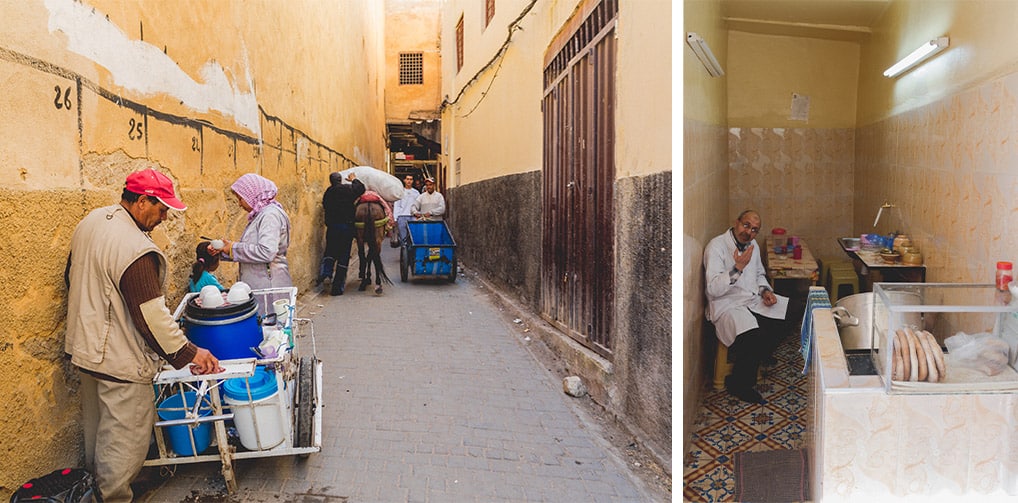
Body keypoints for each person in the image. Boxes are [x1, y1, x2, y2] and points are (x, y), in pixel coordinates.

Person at [64, 168, 223, 503]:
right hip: (120, 362)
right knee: (123, 449)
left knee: (98, 440)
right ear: (141, 202)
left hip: (87, 351)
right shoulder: (135, 248)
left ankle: (94, 494)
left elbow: (72, 278)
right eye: (162, 209)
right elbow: (150, 318)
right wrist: (191, 353)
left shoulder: (92, 221)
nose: (164, 217)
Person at [703, 209, 790, 404]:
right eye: (746, 225)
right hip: (727, 305)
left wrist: (766, 291)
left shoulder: (753, 246)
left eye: (754, 229)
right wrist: (737, 268)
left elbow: (759, 273)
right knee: (753, 337)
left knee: (793, 311)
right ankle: (740, 384)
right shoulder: (716, 247)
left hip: (751, 299)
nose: (748, 232)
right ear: (736, 222)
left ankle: (762, 352)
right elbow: (713, 289)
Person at [216, 173, 293, 291]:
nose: (239, 204)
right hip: (261, 285)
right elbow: (252, 249)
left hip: (270, 287)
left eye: (240, 198)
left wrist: (233, 248)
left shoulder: (270, 215)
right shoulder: (260, 215)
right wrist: (224, 250)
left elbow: (267, 252)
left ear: (252, 194)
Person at [320, 171, 364, 295]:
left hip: (332, 227)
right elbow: (361, 189)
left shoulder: (328, 192)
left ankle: (327, 273)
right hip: (346, 227)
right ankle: (337, 288)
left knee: (330, 251)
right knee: (343, 256)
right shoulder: (347, 190)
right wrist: (354, 179)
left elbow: (324, 205)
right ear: (341, 180)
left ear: (331, 181)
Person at [391, 174, 420, 246]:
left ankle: (412, 253)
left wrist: (418, 215)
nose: (409, 181)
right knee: (403, 238)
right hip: (402, 217)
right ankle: (404, 253)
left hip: (413, 217)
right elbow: (397, 205)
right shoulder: (400, 191)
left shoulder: (416, 193)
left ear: (413, 181)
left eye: (411, 179)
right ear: (404, 180)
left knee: (413, 237)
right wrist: (395, 218)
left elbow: (419, 205)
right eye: (407, 179)